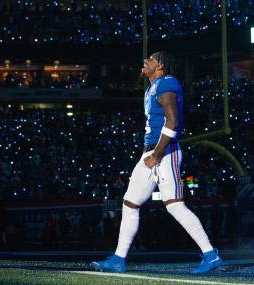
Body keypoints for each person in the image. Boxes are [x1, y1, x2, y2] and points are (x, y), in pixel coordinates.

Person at [91, 51, 223, 274]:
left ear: (160, 65)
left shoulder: (167, 82)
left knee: (174, 206)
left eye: (150, 59)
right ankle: (118, 259)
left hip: (164, 152)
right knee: (130, 203)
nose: (145, 61)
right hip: (151, 152)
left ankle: (211, 254)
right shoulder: (150, 88)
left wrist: (158, 153)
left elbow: (173, 120)